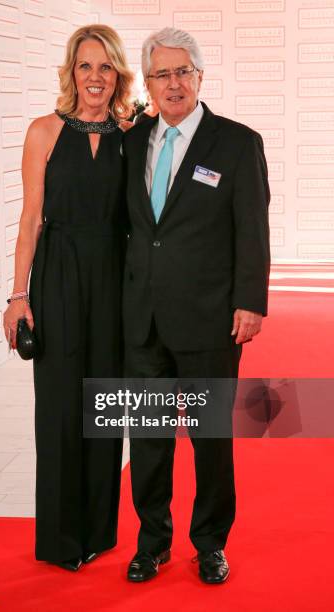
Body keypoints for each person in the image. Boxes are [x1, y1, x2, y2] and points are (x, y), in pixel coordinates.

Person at [122, 27, 270, 584]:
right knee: (149, 439)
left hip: (210, 320)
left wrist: (250, 301)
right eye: (161, 73)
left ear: (201, 76)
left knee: (209, 439)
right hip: (142, 320)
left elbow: (252, 229)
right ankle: (152, 541)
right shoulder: (132, 141)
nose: (173, 83)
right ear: (149, 83)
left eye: (183, 71)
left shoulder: (236, 142)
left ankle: (209, 542)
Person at [2, 24, 133, 572]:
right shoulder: (44, 131)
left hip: (115, 277)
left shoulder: (133, 135)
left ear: (118, 74)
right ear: (71, 72)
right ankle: (60, 541)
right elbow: (30, 220)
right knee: (59, 406)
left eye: (105, 67)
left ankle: (99, 532)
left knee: (105, 406)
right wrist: (17, 296)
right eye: (85, 66)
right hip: (57, 275)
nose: (95, 77)